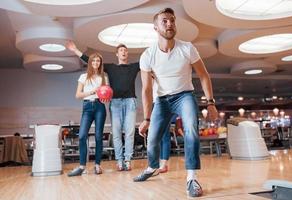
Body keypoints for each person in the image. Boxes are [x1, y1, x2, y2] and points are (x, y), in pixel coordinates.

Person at [133, 8, 218, 197]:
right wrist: (146, 118)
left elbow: (203, 76)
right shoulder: (147, 55)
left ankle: (192, 178)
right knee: (153, 139)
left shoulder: (187, 48)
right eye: (164, 21)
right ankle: (152, 167)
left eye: (172, 20)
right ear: (155, 27)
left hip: (184, 96)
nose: (169, 24)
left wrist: (210, 103)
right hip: (162, 100)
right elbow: (146, 89)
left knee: (191, 130)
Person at [66, 41, 140, 171]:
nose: (124, 52)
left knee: (129, 133)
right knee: (116, 133)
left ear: (127, 53)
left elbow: (148, 60)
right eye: (121, 50)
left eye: (125, 50)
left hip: (130, 102)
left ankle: (127, 160)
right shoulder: (110, 68)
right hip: (115, 103)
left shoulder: (134, 67)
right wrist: (76, 50)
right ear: (117, 54)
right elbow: (91, 60)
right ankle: (119, 161)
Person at [68, 52, 109, 176]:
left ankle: (97, 165)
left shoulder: (104, 77)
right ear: (90, 63)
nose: (96, 63)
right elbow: (78, 95)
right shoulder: (83, 77)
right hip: (87, 107)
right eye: (94, 61)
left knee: (98, 137)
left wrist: (106, 97)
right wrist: (92, 92)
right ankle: (82, 166)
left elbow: (106, 93)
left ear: (100, 63)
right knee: (81, 136)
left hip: (99, 107)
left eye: (98, 61)